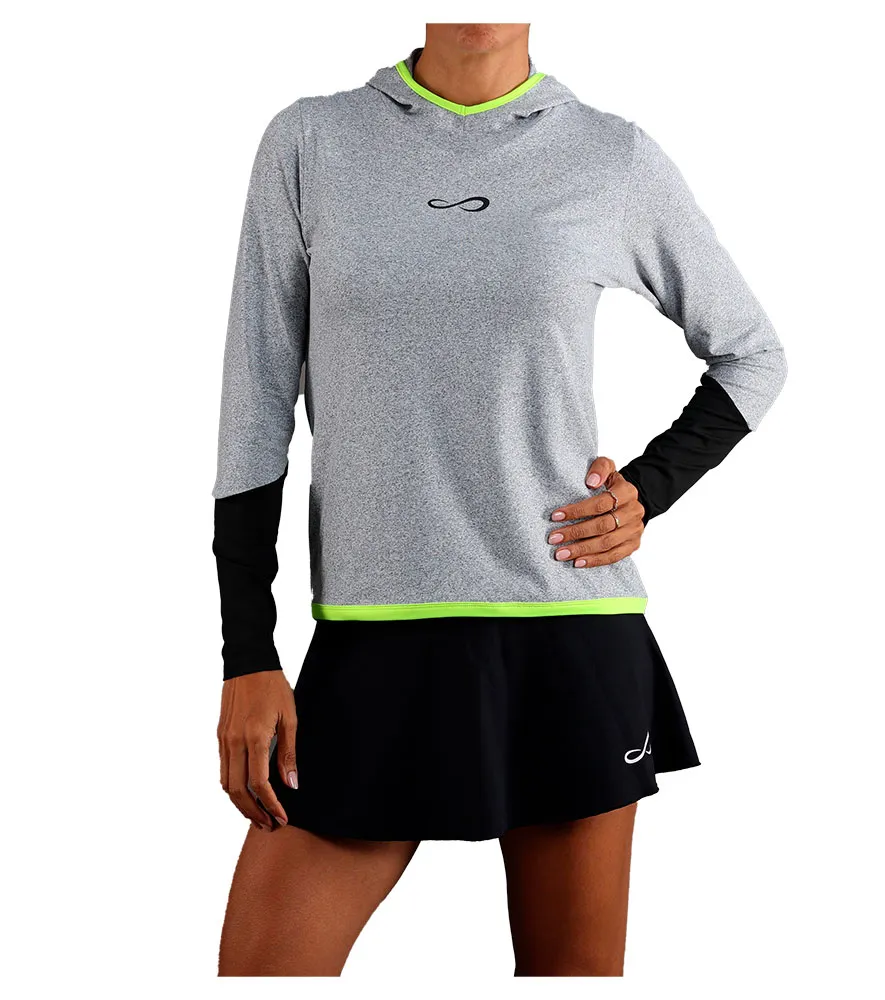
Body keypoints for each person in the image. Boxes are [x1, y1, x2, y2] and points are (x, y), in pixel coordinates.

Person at [212, 23, 787, 977]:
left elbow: (753, 353)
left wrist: (648, 490)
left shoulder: (610, 156)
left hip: (568, 635)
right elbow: (253, 412)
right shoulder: (312, 142)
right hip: (373, 639)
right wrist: (247, 653)